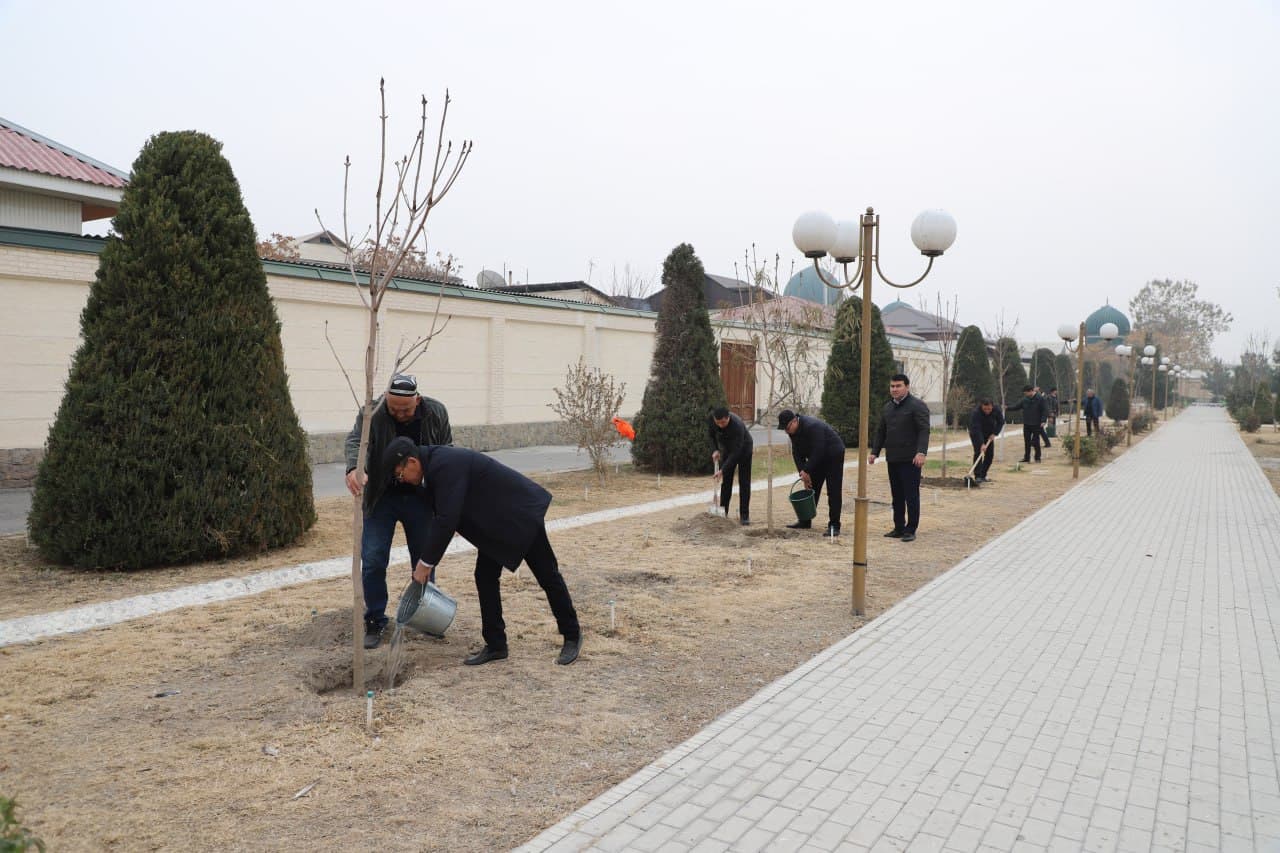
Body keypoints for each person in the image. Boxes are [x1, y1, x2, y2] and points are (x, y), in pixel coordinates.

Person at [384, 437, 582, 666]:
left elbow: (447, 519)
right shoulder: (430, 468)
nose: (403, 480)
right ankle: (496, 644)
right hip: (495, 524)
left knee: (547, 574)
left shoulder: (444, 464)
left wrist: (425, 563)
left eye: (400, 475)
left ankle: (572, 635)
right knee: (485, 577)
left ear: (411, 462)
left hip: (518, 515)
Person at [345, 373, 453, 650]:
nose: (400, 414)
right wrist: (354, 468)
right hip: (382, 497)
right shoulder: (373, 412)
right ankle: (375, 619)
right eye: (394, 409)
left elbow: (447, 450)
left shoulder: (436, 412)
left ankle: (424, 615)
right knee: (372, 560)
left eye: (405, 409)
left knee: (424, 560)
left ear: (417, 400)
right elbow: (356, 442)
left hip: (420, 497)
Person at [869, 374, 931, 542]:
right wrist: (875, 452)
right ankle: (898, 527)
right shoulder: (887, 408)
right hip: (893, 458)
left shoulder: (917, 406)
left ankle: (911, 529)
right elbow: (881, 431)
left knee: (911, 495)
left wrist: (921, 452)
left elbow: (924, 430)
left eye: (898, 386)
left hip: (911, 459)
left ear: (907, 387)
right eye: (892, 386)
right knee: (896, 495)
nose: (894, 389)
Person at [778, 409, 845, 536]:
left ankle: (834, 525)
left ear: (794, 421)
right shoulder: (792, 432)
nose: (786, 432)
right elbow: (796, 453)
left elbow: (819, 450)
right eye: (784, 430)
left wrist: (807, 469)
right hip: (817, 458)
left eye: (787, 428)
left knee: (834, 491)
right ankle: (805, 520)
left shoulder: (812, 426)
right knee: (811, 487)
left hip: (833, 455)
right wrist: (803, 473)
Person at [708, 406, 753, 525]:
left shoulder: (737, 426)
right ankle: (723, 512)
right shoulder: (713, 421)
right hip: (728, 449)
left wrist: (722, 470)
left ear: (728, 418)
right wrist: (715, 450)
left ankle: (744, 515)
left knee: (744, 482)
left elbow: (736, 453)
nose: (720, 425)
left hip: (743, 449)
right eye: (718, 423)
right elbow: (711, 436)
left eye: (723, 422)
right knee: (726, 482)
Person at [1006, 384, 1048, 463]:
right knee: (1027, 441)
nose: (1025, 395)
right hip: (1027, 423)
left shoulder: (1040, 399)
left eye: (1026, 393)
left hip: (1037, 423)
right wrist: (1007, 408)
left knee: (1036, 441)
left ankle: (1037, 458)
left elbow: (1044, 410)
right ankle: (1026, 457)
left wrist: (1043, 420)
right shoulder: (1025, 399)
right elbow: (1017, 406)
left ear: (1031, 391)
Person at [968, 398, 1004, 483]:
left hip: (989, 434)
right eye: (985, 409)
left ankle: (983, 475)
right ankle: (977, 476)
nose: (987, 411)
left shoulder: (996, 410)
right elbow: (977, 429)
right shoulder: (976, 413)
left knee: (990, 455)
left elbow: (1001, 422)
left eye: (989, 409)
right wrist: (981, 443)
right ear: (981, 406)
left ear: (992, 406)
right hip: (976, 434)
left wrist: (995, 433)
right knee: (979, 453)